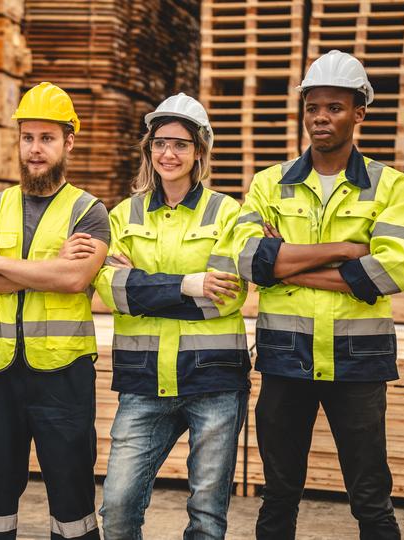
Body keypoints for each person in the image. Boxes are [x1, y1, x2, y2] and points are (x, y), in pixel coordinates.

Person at [233, 50, 404, 540]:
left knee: (371, 499)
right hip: (284, 360)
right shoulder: (268, 183)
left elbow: (387, 273)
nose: (320, 117)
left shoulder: (392, 187)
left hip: (357, 362)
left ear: (359, 112)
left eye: (335, 107)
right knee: (278, 497)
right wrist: (344, 250)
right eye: (313, 106)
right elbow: (250, 262)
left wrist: (286, 267)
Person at [94, 94, 250, 539]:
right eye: (160, 143)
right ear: (149, 148)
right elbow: (110, 291)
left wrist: (141, 285)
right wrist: (187, 284)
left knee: (207, 516)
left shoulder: (228, 213)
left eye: (180, 144)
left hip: (214, 381)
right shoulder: (122, 214)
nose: (168, 153)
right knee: (119, 508)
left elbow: (226, 295)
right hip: (144, 382)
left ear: (199, 151)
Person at [0, 81, 109, 540]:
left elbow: (74, 280)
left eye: (47, 138)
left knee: (72, 499)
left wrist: (1, 262)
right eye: (28, 138)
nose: (35, 149)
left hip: (62, 375)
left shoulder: (90, 210)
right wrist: (49, 265)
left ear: (68, 141)